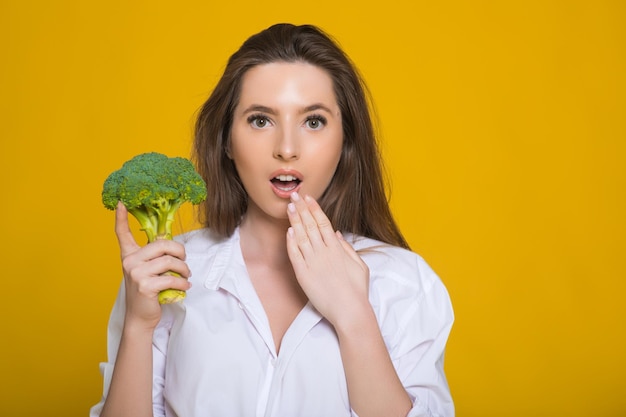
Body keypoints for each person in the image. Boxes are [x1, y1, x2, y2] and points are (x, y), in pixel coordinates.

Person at [90, 23, 454, 417]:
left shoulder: (404, 284)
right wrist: (138, 326)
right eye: (261, 120)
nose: (286, 149)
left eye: (313, 121)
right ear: (226, 140)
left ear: (345, 141)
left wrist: (354, 316)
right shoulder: (170, 276)